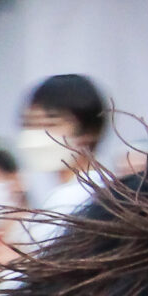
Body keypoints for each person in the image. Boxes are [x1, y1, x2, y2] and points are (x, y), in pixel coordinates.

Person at [21, 74, 111, 217]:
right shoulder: (53, 194)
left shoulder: (84, 197)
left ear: (89, 131)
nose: (37, 134)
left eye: (51, 124)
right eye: (29, 124)